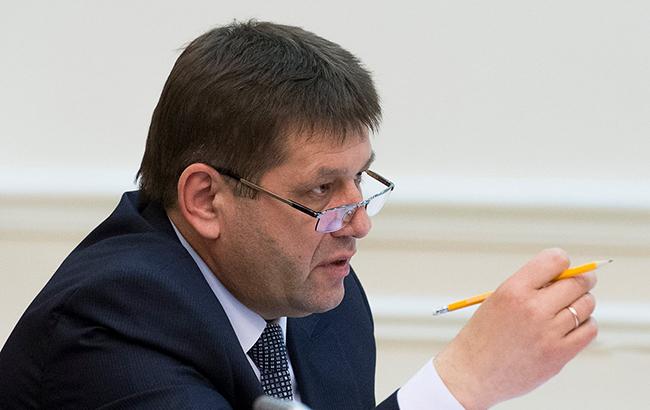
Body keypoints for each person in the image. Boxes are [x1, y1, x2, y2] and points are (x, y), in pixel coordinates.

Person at [0, 20, 598, 409]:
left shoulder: (321, 302)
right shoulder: (109, 324)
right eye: (320, 189)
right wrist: (463, 380)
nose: (358, 223)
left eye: (359, 180)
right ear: (206, 199)